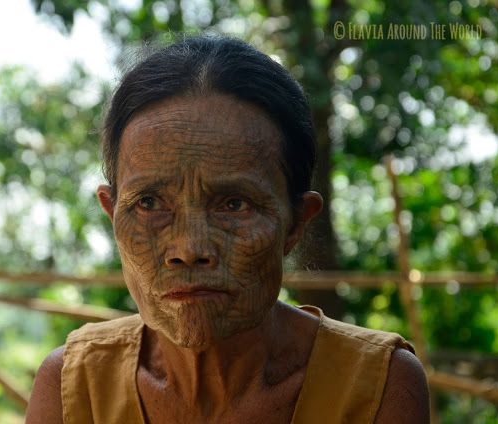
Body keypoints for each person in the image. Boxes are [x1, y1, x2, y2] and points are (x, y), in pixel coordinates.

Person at [25, 35, 430, 423]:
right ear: (113, 214)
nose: (189, 247)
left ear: (295, 223)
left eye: (234, 204)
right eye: (149, 203)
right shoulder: (72, 389)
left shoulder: (376, 389)